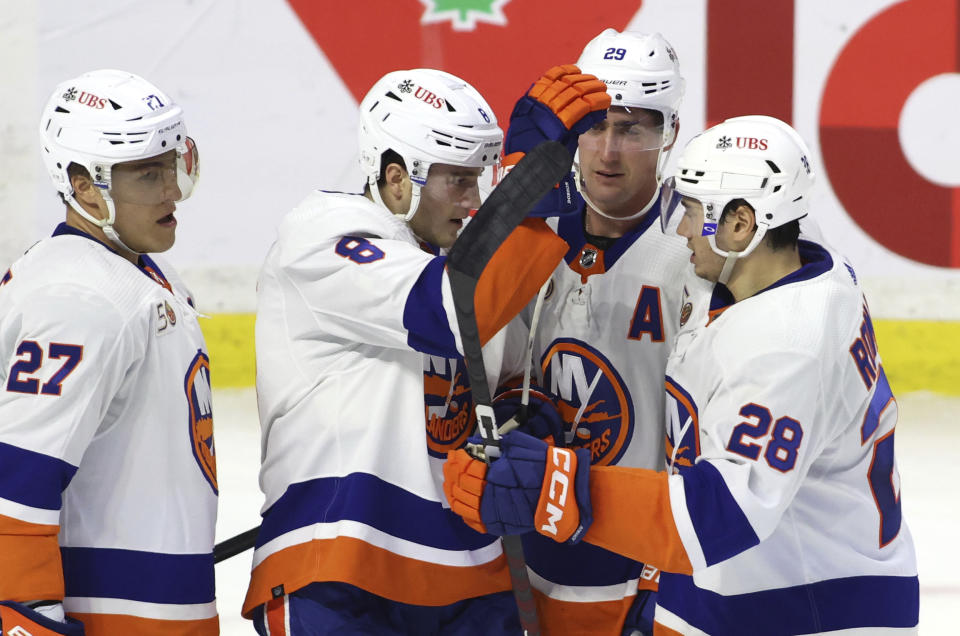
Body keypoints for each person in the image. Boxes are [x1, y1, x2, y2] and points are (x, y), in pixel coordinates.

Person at [444, 115, 920, 634]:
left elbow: (722, 514)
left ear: (742, 225)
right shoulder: (778, 270)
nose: (682, 229)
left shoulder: (786, 346)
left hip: (808, 608)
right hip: (742, 591)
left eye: (693, 211)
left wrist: (554, 488)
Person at [243, 67, 608, 634]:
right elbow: (448, 311)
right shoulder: (322, 234)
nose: (473, 201)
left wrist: (519, 417)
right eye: (457, 182)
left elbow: (503, 377)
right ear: (395, 178)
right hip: (341, 568)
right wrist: (529, 181)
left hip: (468, 573)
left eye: (480, 181)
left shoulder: (475, 261)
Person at [0, 70, 216, 635]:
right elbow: (18, 475)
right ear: (86, 186)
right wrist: (26, 617)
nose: (171, 189)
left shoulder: (144, 273)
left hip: (156, 607)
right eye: (149, 174)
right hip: (112, 618)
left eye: (172, 165)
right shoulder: (79, 296)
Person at [493, 28, 694, 635]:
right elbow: (487, 374)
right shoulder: (528, 234)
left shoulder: (695, 253)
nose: (607, 150)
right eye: (594, 126)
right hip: (523, 553)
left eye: (632, 130)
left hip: (638, 558)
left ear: (670, 135)